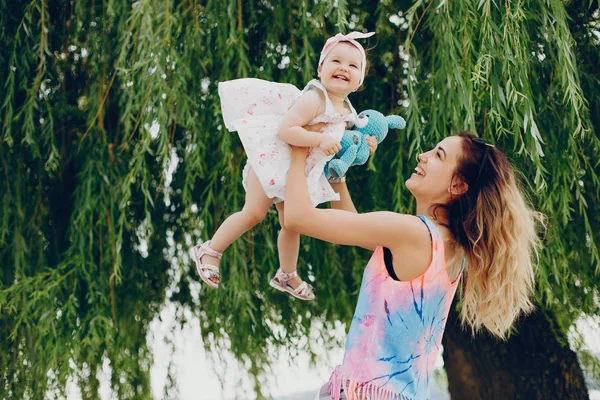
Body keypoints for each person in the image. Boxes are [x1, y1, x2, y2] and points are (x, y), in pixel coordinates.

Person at [283, 133, 544, 400]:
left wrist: (300, 142)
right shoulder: (450, 245)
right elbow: (353, 225)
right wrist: (337, 176)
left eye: (438, 155)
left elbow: (295, 217)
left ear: (457, 185)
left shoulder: (411, 232)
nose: (423, 155)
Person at [193, 32, 376, 301]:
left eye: (352, 65)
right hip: (272, 160)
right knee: (254, 212)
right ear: (321, 68)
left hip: (297, 172)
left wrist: (364, 146)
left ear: (360, 79)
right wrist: (318, 138)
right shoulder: (315, 98)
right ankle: (210, 249)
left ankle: (287, 274)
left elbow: (344, 140)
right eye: (336, 61)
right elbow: (286, 129)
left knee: (292, 223)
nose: (343, 68)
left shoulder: (348, 110)